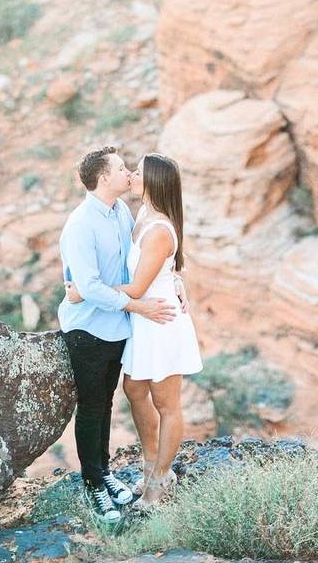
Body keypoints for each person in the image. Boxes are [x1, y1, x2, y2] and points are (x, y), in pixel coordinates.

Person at [66, 153, 202, 510]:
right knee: (134, 390)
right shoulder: (137, 215)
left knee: (166, 402)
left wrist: (85, 289)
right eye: (126, 169)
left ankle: (158, 480)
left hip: (159, 317)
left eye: (137, 171)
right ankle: (150, 465)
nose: (131, 175)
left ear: (153, 182)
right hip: (140, 320)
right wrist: (174, 276)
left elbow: (139, 285)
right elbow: (140, 269)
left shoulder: (155, 227)